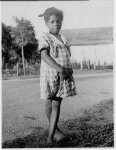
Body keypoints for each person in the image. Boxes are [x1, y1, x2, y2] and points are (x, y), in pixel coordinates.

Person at [38, 7, 77, 145]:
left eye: (58, 21)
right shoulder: (45, 37)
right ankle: (53, 134)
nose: (56, 24)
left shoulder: (64, 38)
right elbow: (44, 55)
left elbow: (67, 56)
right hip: (51, 75)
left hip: (63, 76)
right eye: (52, 22)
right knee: (49, 101)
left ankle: (51, 135)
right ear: (46, 24)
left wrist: (68, 70)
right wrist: (59, 68)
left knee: (56, 105)